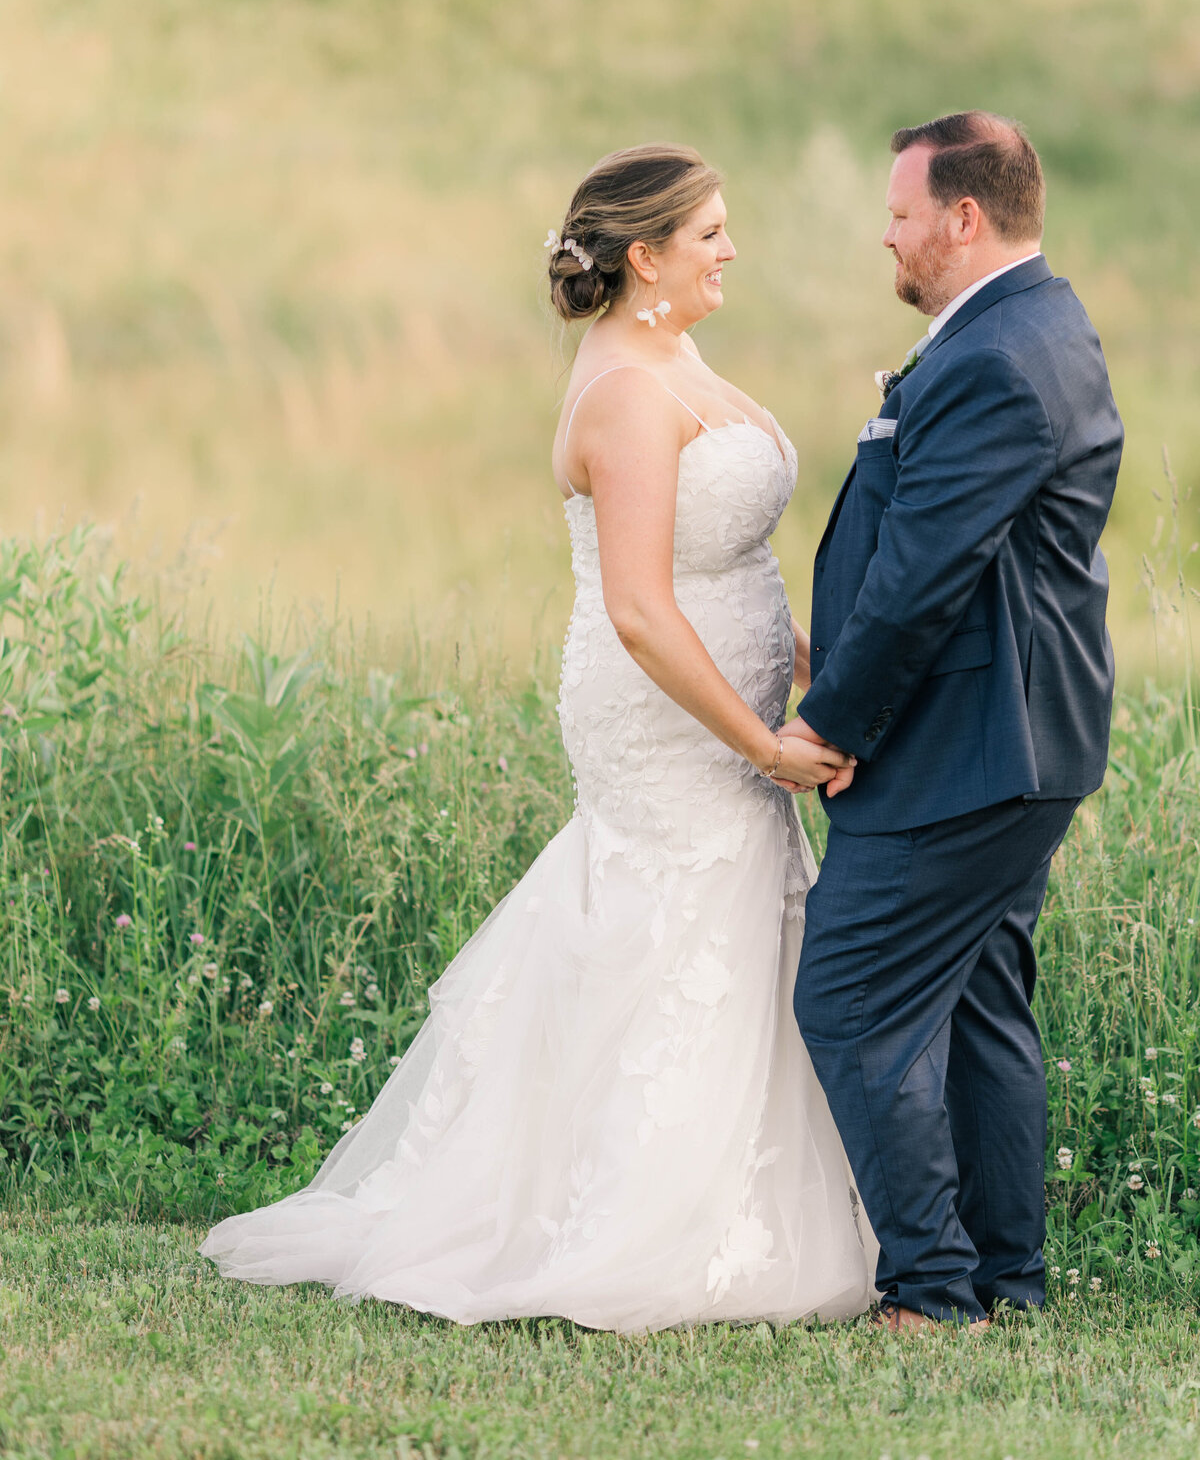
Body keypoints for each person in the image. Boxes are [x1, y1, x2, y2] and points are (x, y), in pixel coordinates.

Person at [200, 144, 877, 1330]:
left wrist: (811, 679)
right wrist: (764, 747)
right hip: (660, 717)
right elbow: (638, 608)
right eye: (710, 232)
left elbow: (738, 562)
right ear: (645, 255)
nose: (730, 250)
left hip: (735, 698)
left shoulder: (674, 352)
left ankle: (761, 1193)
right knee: (671, 917)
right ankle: (631, 1215)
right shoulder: (621, 392)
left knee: (732, 916)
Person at [785, 112, 1123, 1331]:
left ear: (963, 218)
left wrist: (833, 724)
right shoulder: (1036, 323)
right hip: (1018, 737)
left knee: (850, 995)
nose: (888, 233)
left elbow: (925, 576)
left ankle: (932, 1291)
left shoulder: (991, 356)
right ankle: (1009, 1281)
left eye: (900, 213)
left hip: (965, 748)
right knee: (979, 1006)